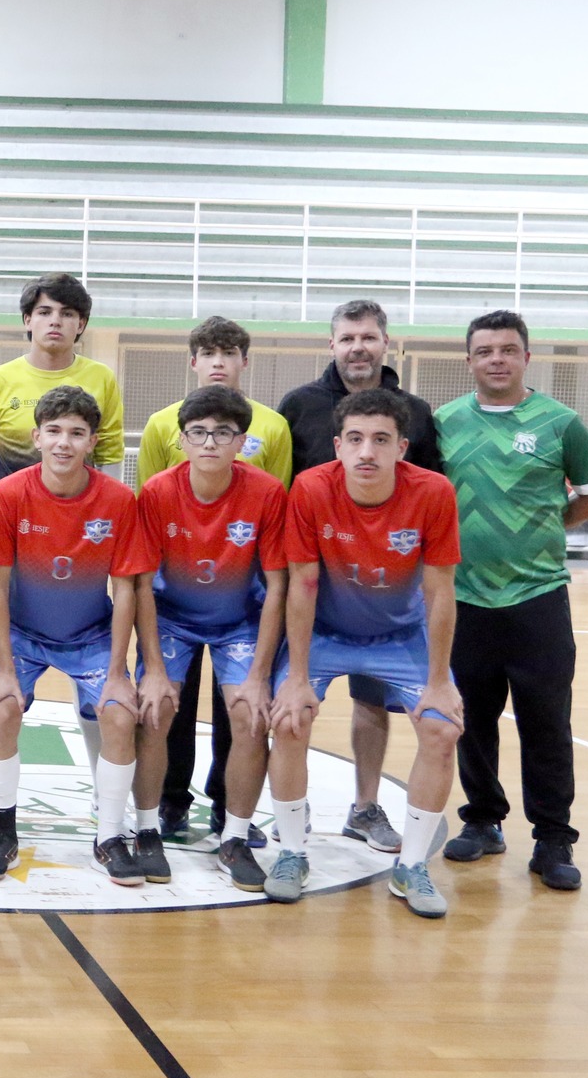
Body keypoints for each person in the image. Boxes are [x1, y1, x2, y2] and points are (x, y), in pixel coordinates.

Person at [267, 389, 463, 918]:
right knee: (288, 719)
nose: (367, 453)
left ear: (403, 447)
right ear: (337, 445)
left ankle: (413, 865)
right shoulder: (310, 489)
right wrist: (297, 676)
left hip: (401, 635)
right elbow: (302, 585)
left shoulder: (434, 492)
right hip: (328, 630)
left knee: (442, 729)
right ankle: (290, 851)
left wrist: (440, 680)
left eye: (381, 440)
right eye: (354, 439)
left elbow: (440, 591)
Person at [437, 310, 588, 891]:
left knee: (546, 722)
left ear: (526, 357)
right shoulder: (446, 422)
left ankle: (553, 838)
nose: (497, 360)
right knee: (472, 720)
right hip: (464, 600)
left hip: (538, 596)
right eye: (484, 351)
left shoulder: (560, 423)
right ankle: (483, 820)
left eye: (508, 349)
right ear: (469, 361)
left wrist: (545, 524)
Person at [0, 385, 158, 884]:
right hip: (24, 635)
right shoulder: (9, 494)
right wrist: (4, 668)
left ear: (92, 442)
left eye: (76, 433)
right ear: (36, 437)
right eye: (53, 431)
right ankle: (3, 833)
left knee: (120, 717)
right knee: (2, 709)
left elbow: (127, 591)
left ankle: (110, 837)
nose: (63, 443)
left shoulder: (118, 500)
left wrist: (118, 671)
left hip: (91, 635)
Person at [276, 299, 443, 855]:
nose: (358, 347)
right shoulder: (299, 405)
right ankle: (283, 826)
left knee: (376, 703)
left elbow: (426, 503)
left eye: (369, 337)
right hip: (316, 586)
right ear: (333, 345)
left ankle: (365, 807)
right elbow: (282, 489)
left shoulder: (415, 412)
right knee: (285, 709)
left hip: (386, 589)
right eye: (348, 338)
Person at [134, 315, 293, 842]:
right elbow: (139, 578)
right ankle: (153, 821)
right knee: (156, 710)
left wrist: (261, 672)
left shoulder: (268, 491)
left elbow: (278, 585)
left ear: (242, 440)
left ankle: (235, 830)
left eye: (222, 433)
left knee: (248, 715)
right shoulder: (158, 491)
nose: (209, 442)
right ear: (181, 439)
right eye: (198, 433)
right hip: (173, 617)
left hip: (239, 622)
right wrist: (152, 666)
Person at [0, 272, 123, 484]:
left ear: (81, 324)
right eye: (45, 312)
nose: (55, 321)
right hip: (14, 512)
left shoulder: (102, 378)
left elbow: (109, 455)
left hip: (81, 512)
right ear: (28, 320)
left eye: (67, 314)